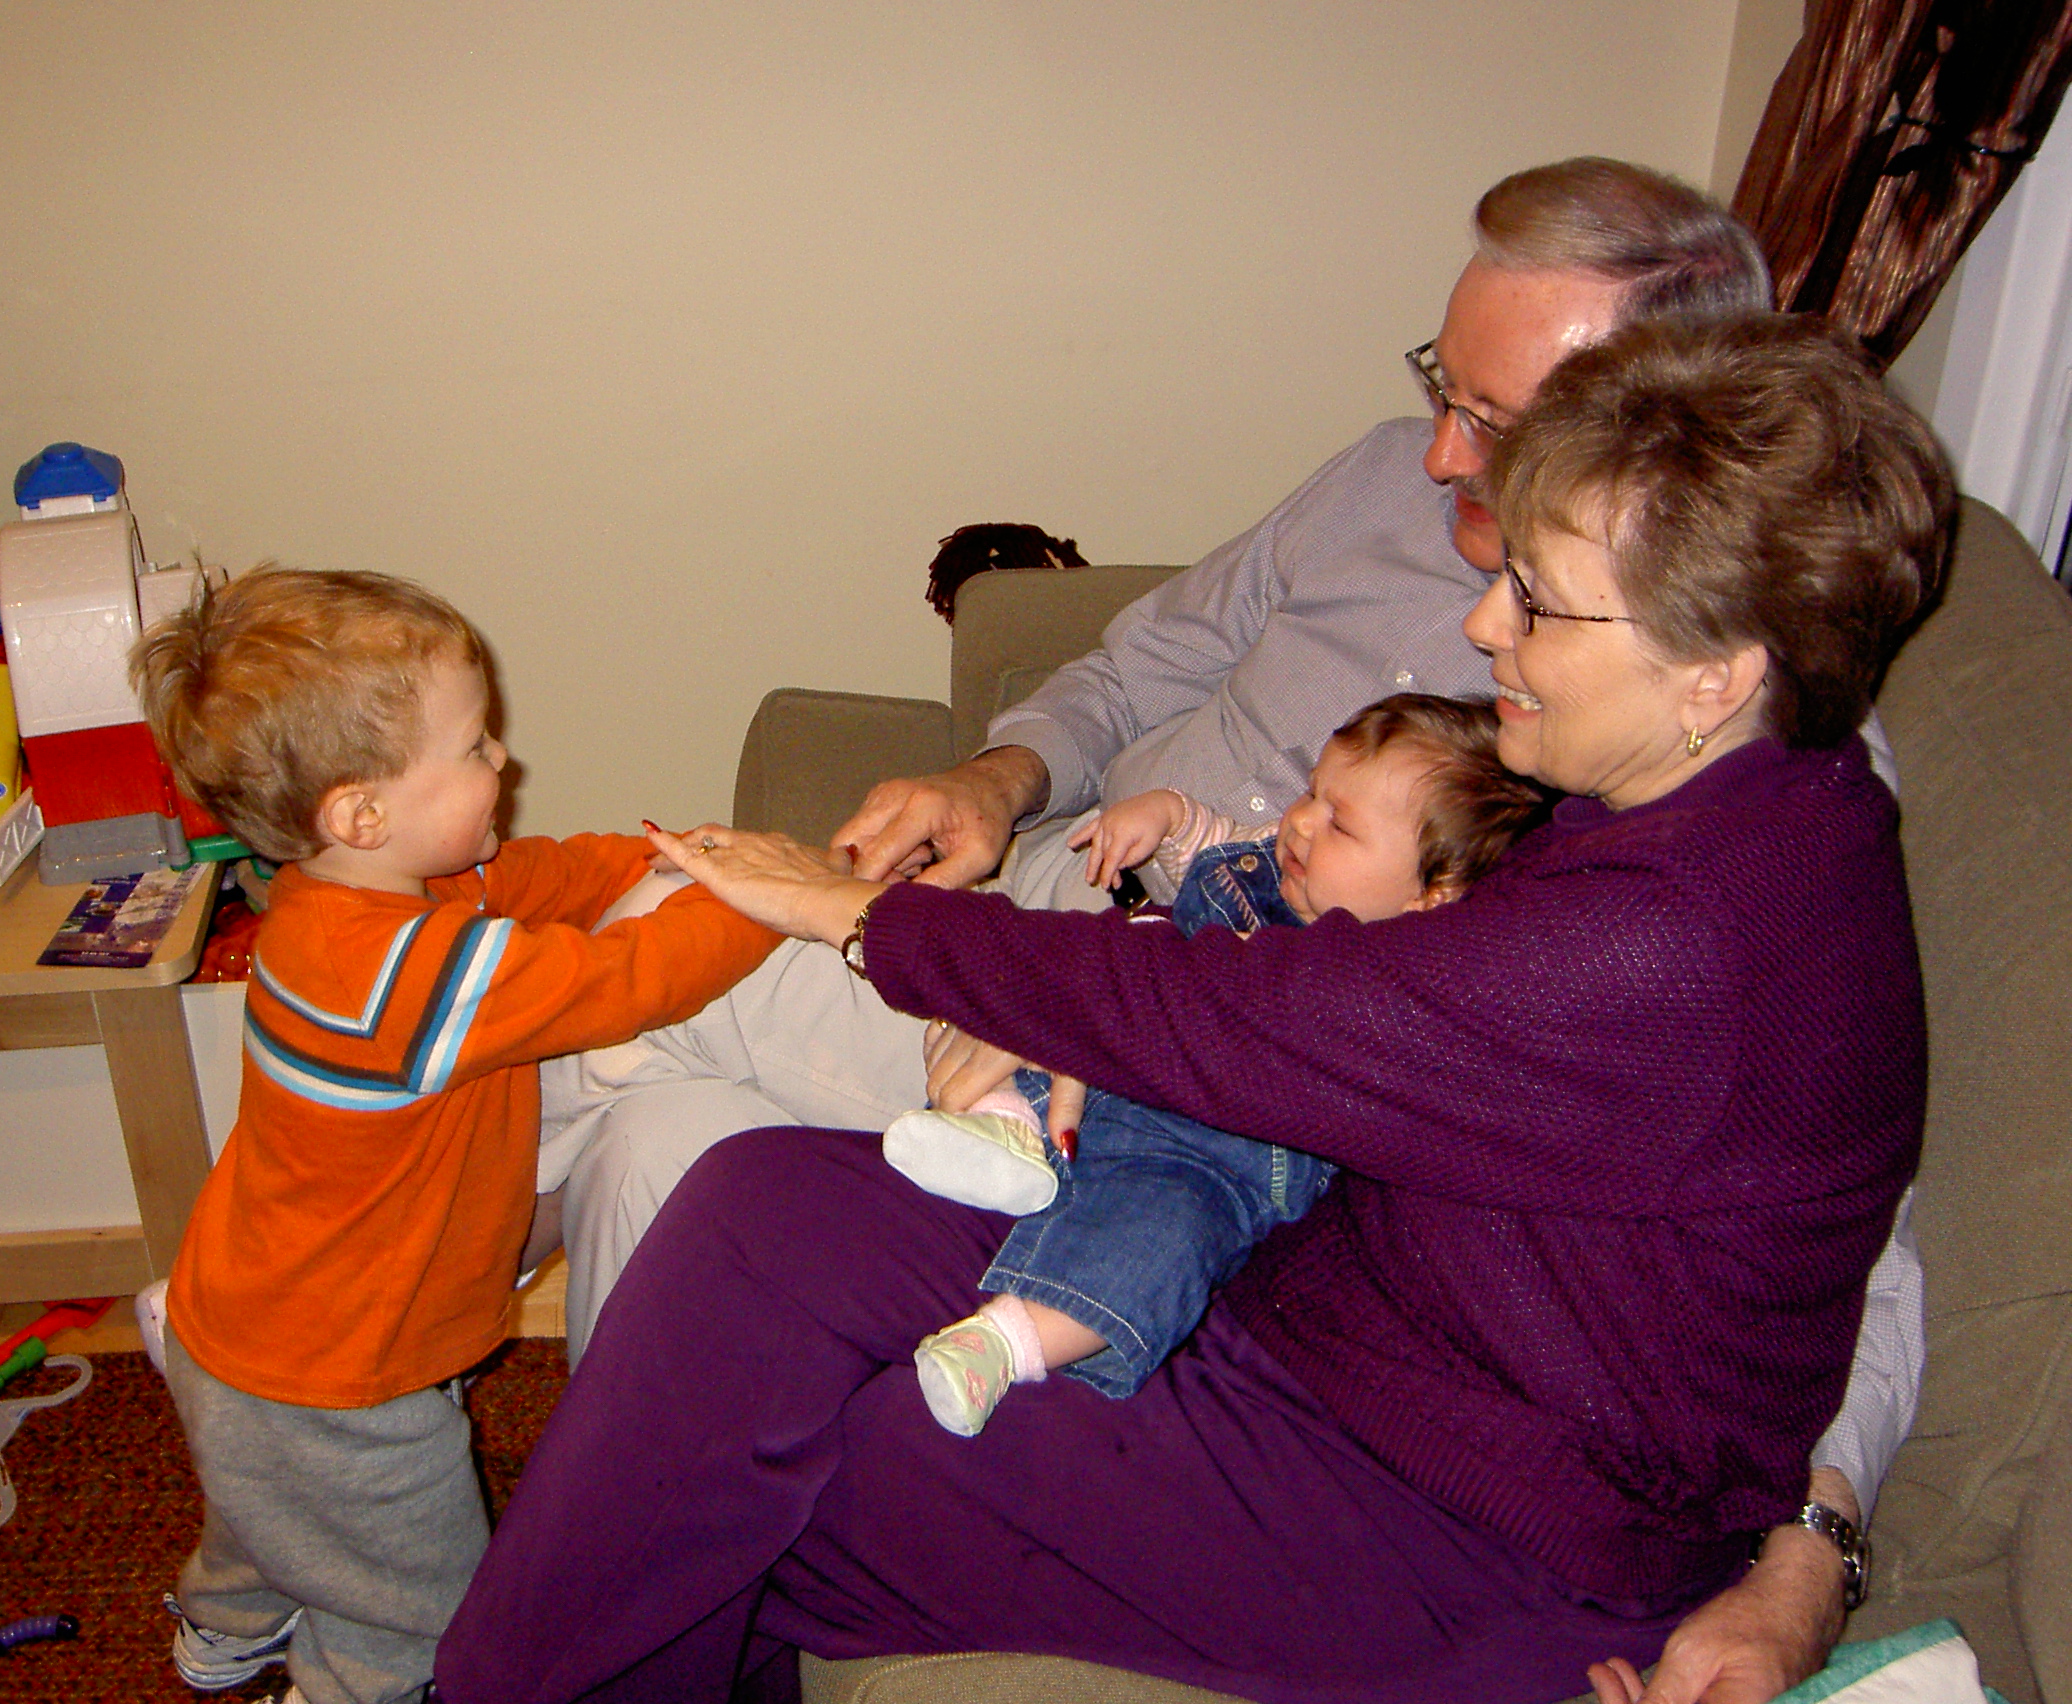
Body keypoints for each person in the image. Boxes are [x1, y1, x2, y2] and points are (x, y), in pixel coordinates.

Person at [530, 158, 1924, 1699]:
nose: (1483, 621)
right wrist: (1006, 840)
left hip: (1421, 1475)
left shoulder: (1691, 920)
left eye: (1537, 599)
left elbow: (1278, 1024)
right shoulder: (1665, 775)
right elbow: (1191, 789)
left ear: (1714, 656)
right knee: (736, 1200)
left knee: (765, 1464)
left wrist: (871, 918)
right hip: (1275, 1252)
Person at [130, 567, 778, 1704]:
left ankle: (220, 1633)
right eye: (474, 748)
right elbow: (629, 981)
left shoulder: (361, 900)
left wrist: (651, 858)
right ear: (361, 814)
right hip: (344, 1386)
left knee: (270, 1520)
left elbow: (533, 877)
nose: (503, 761)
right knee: (411, 1610)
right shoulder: (398, 976)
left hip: (250, 1334)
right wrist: (764, 894)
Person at [892, 695, 1552, 1437]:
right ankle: (1001, 1129)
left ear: (1431, 898)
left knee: (1162, 1243)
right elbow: (1217, 841)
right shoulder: (1275, 857)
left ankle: (1002, 1343)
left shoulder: (1392, 987)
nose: (1301, 821)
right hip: (1122, 1044)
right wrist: (1169, 816)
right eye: (1312, 791)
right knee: (1026, 1021)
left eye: (1340, 824)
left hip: (1201, 1157)